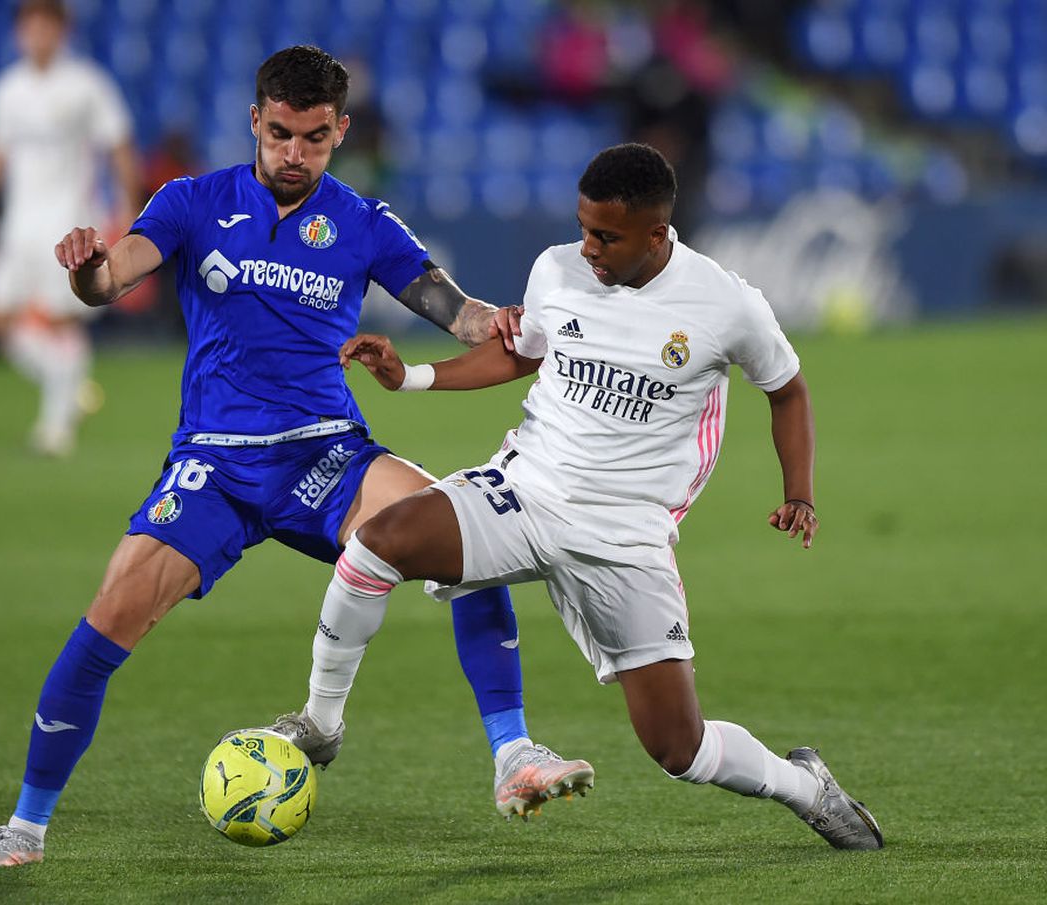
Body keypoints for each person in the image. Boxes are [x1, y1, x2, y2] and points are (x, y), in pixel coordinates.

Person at [0, 44, 589, 870]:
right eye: (282, 133)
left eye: (315, 138)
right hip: (215, 462)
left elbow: (459, 314)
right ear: (256, 120)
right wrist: (84, 269)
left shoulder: (364, 224)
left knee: (462, 536)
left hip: (326, 451)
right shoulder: (191, 201)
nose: (295, 154)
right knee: (111, 615)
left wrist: (510, 321)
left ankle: (514, 755)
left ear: (341, 132)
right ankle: (26, 829)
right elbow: (112, 280)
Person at [287, 143, 884, 848]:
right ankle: (321, 724)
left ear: (658, 233)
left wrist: (800, 492)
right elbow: (522, 351)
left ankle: (806, 786)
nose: (589, 247)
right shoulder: (556, 268)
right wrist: (412, 377)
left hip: (625, 534)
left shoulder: (726, 303)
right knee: (376, 546)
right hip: (529, 487)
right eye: (583, 228)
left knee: (678, 747)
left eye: (607, 236)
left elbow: (788, 390)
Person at [0, 0, 140, 456]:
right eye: (29, 27)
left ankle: (55, 427)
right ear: (19, 33)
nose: (37, 35)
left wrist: (133, 208)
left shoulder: (86, 85)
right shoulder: (6, 90)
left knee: (60, 321)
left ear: (62, 31)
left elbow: (118, 146)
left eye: (46, 26)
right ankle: (69, 386)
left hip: (69, 221)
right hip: (20, 224)